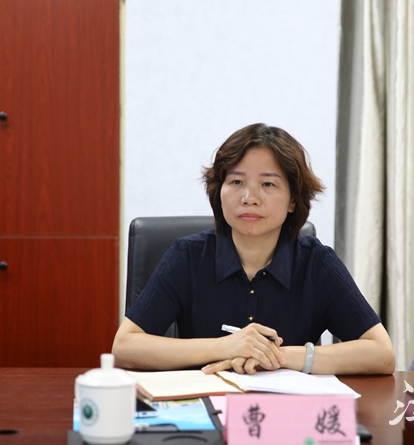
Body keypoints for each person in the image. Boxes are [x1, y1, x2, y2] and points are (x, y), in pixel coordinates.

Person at [112, 123, 395, 375]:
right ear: (219, 193)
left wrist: (275, 356)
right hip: (206, 407)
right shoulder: (186, 257)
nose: (249, 198)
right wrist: (225, 347)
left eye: (268, 184)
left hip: (289, 412)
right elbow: (125, 346)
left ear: (293, 200)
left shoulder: (317, 263)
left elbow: (381, 354)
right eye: (236, 182)